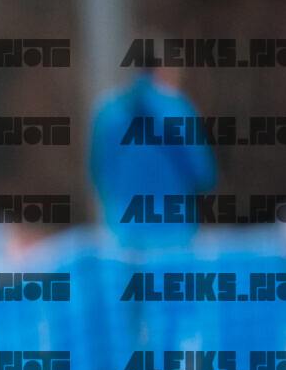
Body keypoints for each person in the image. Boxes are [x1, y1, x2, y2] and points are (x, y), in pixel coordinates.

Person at [88, 66, 215, 248]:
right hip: (174, 230)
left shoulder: (108, 114)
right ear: (161, 71)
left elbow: (98, 175)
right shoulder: (178, 109)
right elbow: (203, 174)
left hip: (123, 232)